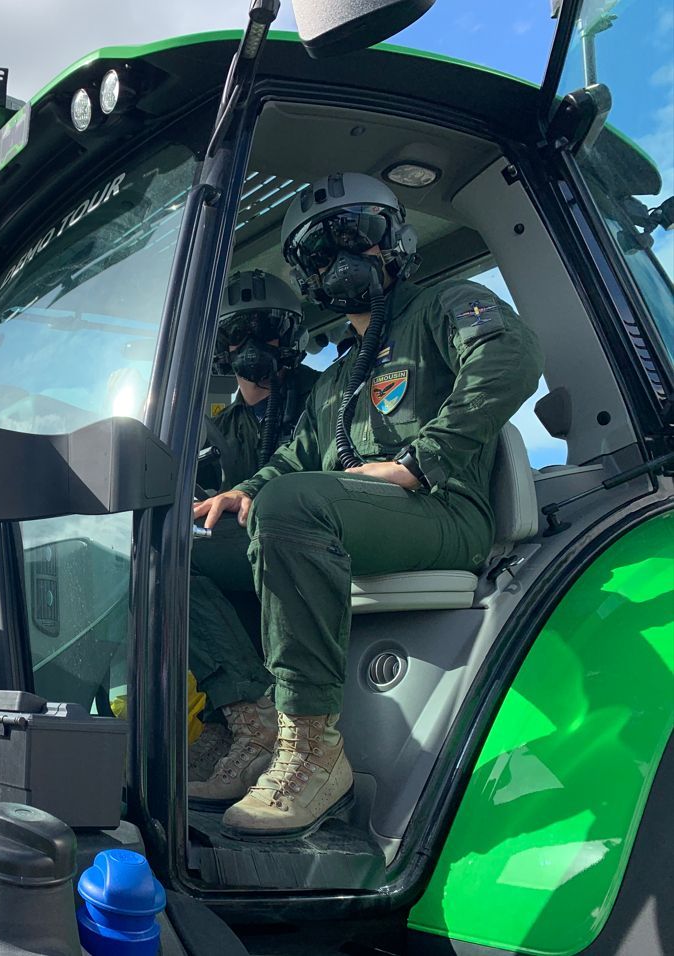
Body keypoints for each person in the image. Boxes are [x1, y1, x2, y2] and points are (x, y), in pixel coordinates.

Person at [189, 172, 543, 838]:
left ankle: (313, 750)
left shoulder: (443, 306)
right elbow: (291, 459)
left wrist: (421, 459)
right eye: (319, 253)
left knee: (291, 506)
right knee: (183, 554)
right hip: (359, 524)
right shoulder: (333, 383)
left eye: (357, 235)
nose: (342, 260)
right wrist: (242, 491)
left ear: (394, 240)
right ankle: (251, 722)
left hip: (444, 514)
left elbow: (510, 355)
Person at [187, 271, 317, 786]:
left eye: (265, 329)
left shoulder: (326, 396)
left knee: (177, 561)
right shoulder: (217, 427)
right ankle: (228, 723)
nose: (250, 346)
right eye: (235, 334)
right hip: (251, 545)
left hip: (309, 537)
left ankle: (253, 718)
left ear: (289, 336)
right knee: (166, 553)